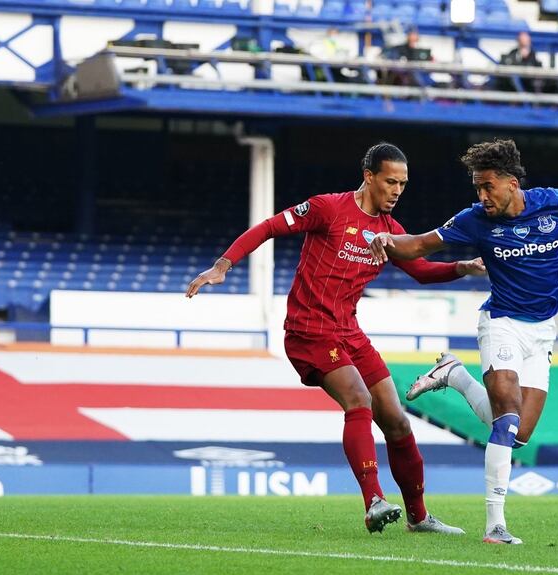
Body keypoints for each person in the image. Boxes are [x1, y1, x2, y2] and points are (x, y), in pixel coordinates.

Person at [186, 143, 485, 535]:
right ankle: (374, 501)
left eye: (403, 184)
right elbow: (268, 227)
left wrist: (462, 266)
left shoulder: (390, 231)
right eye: (390, 182)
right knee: (359, 400)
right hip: (309, 330)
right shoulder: (328, 208)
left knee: (396, 422)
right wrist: (222, 265)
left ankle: (418, 517)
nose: (397, 190)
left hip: (349, 332)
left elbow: (422, 271)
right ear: (369, 176)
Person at [367, 138, 558, 544]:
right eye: (477, 187)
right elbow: (421, 244)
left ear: (512, 183)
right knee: (508, 418)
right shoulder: (475, 219)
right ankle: (495, 525)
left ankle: (455, 375)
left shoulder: (555, 202)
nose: (482, 196)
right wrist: (385, 240)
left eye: (488, 186)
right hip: (501, 323)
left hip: (543, 330)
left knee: (519, 433)